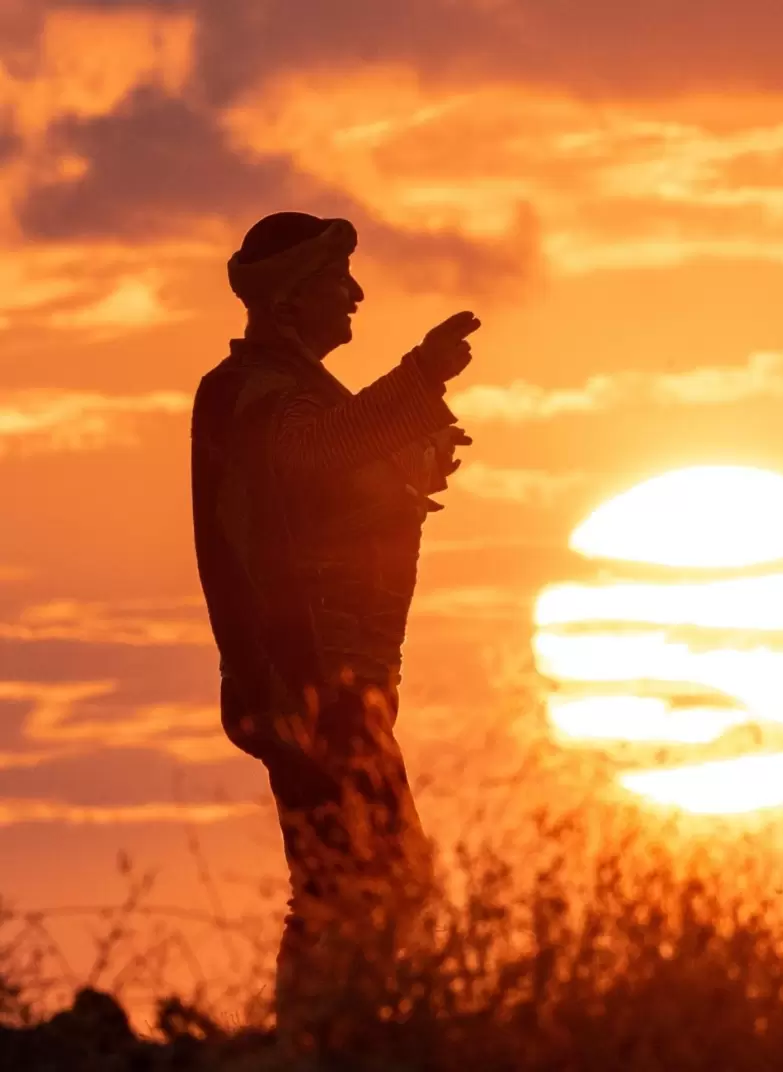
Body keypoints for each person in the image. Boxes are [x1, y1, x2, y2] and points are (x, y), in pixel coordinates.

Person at [189, 211, 479, 1057]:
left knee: (353, 882)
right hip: (307, 681)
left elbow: (329, 494)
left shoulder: (283, 392)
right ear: (288, 300)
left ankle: (327, 1043)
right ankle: (324, 1048)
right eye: (334, 283)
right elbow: (314, 459)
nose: (355, 295)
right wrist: (417, 381)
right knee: (371, 881)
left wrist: (412, 463)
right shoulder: (254, 392)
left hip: (327, 684)